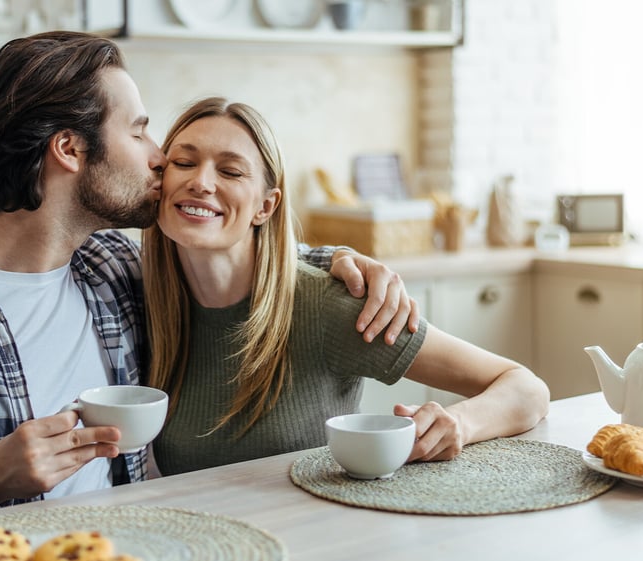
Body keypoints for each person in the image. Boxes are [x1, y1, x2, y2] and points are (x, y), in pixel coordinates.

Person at [0, 33, 419, 545]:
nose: (158, 157)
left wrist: (337, 259)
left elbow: (234, 244)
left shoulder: (112, 271)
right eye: (139, 130)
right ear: (69, 149)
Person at [143, 97, 551, 475]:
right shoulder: (138, 302)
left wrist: (458, 423)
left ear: (266, 206)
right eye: (183, 162)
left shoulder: (326, 307)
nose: (201, 182)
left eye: (230, 171)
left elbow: (526, 389)